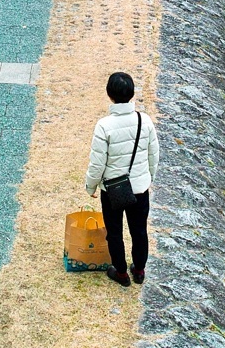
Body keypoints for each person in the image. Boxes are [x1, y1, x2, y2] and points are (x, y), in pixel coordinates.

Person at [85, 72, 159, 288]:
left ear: (110, 95)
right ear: (132, 93)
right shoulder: (144, 121)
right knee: (139, 230)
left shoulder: (104, 126)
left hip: (113, 189)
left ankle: (120, 272)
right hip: (139, 188)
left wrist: (90, 186)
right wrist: (148, 177)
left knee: (114, 232)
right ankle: (139, 269)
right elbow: (154, 155)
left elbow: (97, 163)